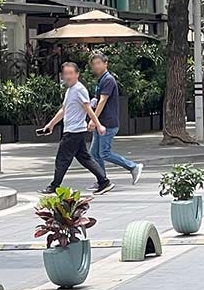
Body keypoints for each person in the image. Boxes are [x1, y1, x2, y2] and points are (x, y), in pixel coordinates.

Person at [39, 61, 112, 195]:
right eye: (66, 73)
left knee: (62, 159)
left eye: (71, 73)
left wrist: (97, 124)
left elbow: (88, 108)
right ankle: (103, 181)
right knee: (85, 158)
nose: (68, 76)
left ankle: (54, 186)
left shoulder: (79, 89)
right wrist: (51, 124)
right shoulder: (70, 90)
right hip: (73, 130)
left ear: (77, 74)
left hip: (74, 131)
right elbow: (64, 110)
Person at [88, 52, 144, 185]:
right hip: (101, 122)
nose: (96, 66)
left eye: (98, 63)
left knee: (104, 153)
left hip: (107, 123)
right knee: (94, 153)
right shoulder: (101, 80)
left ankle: (133, 166)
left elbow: (102, 101)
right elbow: (98, 100)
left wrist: (93, 119)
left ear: (105, 63)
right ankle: (102, 180)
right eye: (94, 64)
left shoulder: (108, 80)